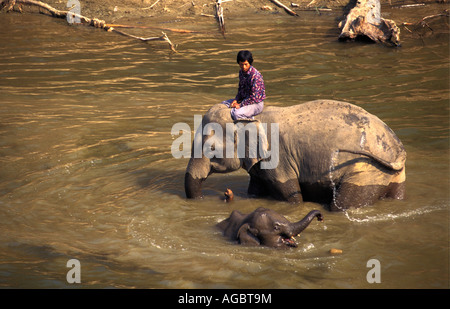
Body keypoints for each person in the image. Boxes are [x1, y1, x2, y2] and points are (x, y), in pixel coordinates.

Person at [222, 50, 265, 120]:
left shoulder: (255, 76)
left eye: (246, 64)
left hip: (256, 104)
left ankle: (250, 121)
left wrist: (240, 105)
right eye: (241, 64)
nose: (244, 67)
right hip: (244, 100)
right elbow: (240, 90)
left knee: (236, 114)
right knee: (223, 104)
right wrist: (235, 100)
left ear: (250, 63)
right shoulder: (241, 73)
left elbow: (254, 98)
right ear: (238, 63)